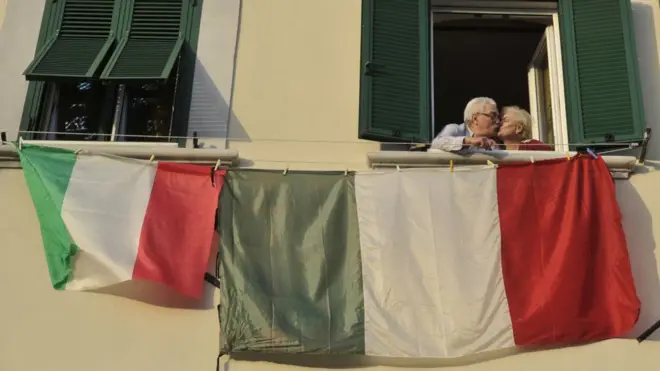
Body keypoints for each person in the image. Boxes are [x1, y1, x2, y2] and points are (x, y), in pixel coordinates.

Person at [430, 97, 501, 152]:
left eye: (498, 117)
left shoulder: (493, 144)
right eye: (493, 116)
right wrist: (468, 141)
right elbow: (436, 143)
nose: (498, 121)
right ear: (475, 119)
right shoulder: (455, 129)